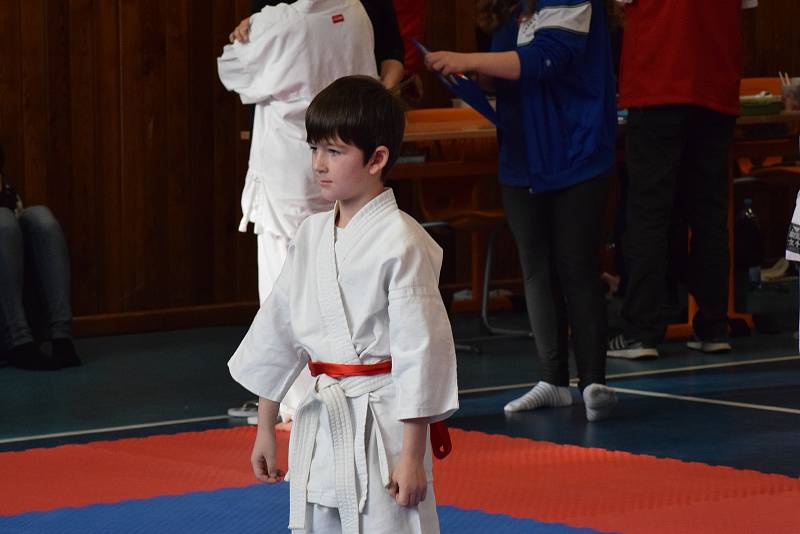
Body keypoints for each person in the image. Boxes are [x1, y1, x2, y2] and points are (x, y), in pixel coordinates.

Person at [228, 76, 459, 533]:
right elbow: (278, 330)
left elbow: (420, 353)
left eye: (334, 152)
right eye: (315, 149)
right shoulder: (311, 234)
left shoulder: (403, 242)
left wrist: (412, 456)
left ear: (377, 159)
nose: (319, 164)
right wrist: (266, 426)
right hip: (322, 421)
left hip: (386, 427)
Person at [424, 0, 618, 421]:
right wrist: (471, 78)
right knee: (536, 266)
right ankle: (552, 378)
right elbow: (510, 76)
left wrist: (466, 59)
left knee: (576, 264)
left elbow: (543, 60)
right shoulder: (515, 12)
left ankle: (593, 381)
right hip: (524, 153)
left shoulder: (574, 3)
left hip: (575, 150)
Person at [218, 0, 377, 424]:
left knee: (285, 287)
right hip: (345, 164)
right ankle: (344, 389)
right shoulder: (357, 12)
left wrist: (247, 31)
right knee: (340, 280)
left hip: (292, 169)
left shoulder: (280, 21)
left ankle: (298, 401)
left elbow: (232, 68)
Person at [607, 0, 759, 359]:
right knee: (710, 214)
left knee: (649, 212)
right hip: (716, 82)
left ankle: (642, 331)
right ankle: (714, 325)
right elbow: (745, 9)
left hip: (656, 80)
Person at [0, 145, 81, 371]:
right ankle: (18, 343)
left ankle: (62, 339)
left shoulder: (8, 195)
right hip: (10, 329)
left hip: (25, 315)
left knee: (41, 218)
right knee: (2, 223)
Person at [230, 0, 405, 91]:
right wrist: (246, 37)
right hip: (291, 132)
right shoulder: (275, 15)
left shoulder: (362, 7)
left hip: (358, 117)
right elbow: (239, 64)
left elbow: (393, 52)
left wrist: (381, 99)